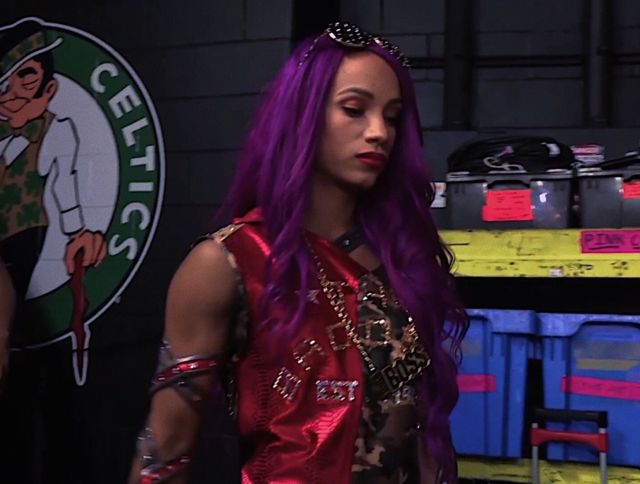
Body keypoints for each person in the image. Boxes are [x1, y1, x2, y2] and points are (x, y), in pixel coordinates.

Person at [130, 21, 468, 484]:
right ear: (302, 116)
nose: (379, 132)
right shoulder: (229, 262)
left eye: (392, 117)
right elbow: (165, 449)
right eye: (354, 109)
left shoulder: (400, 259)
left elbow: (423, 428)